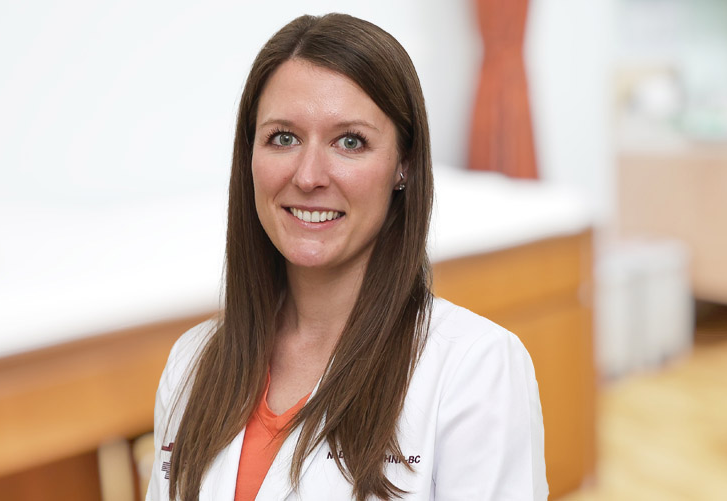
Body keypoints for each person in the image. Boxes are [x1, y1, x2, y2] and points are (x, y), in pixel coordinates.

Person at [146, 13, 547, 501]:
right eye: (283, 137)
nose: (309, 175)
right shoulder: (194, 363)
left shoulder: (475, 368)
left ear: (404, 164)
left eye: (349, 141)